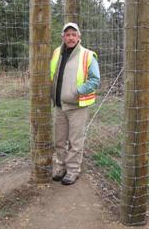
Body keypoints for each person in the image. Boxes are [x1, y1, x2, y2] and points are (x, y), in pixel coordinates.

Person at [50, 22, 100, 185]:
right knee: (59, 140)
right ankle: (60, 167)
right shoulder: (57, 52)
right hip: (58, 106)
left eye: (73, 34)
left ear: (79, 37)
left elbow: (95, 80)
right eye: (67, 34)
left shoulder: (87, 55)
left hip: (77, 106)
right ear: (63, 37)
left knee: (75, 141)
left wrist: (76, 91)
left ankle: (72, 171)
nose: (70, 37)